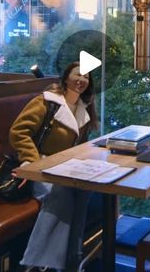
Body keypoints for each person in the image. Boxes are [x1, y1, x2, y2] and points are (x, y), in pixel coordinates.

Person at [9, 62, 98, 272]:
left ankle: (73, 257)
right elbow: (18, 132)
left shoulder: (84, 109)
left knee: (85, 190)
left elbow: (80, 146)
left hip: (65, 168)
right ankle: (41, 264)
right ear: (66, 77)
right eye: (78, 75)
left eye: (86, 77)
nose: (81, 80)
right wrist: (31, 162)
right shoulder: (46, 102)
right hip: (38, 166)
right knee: (62, 194)